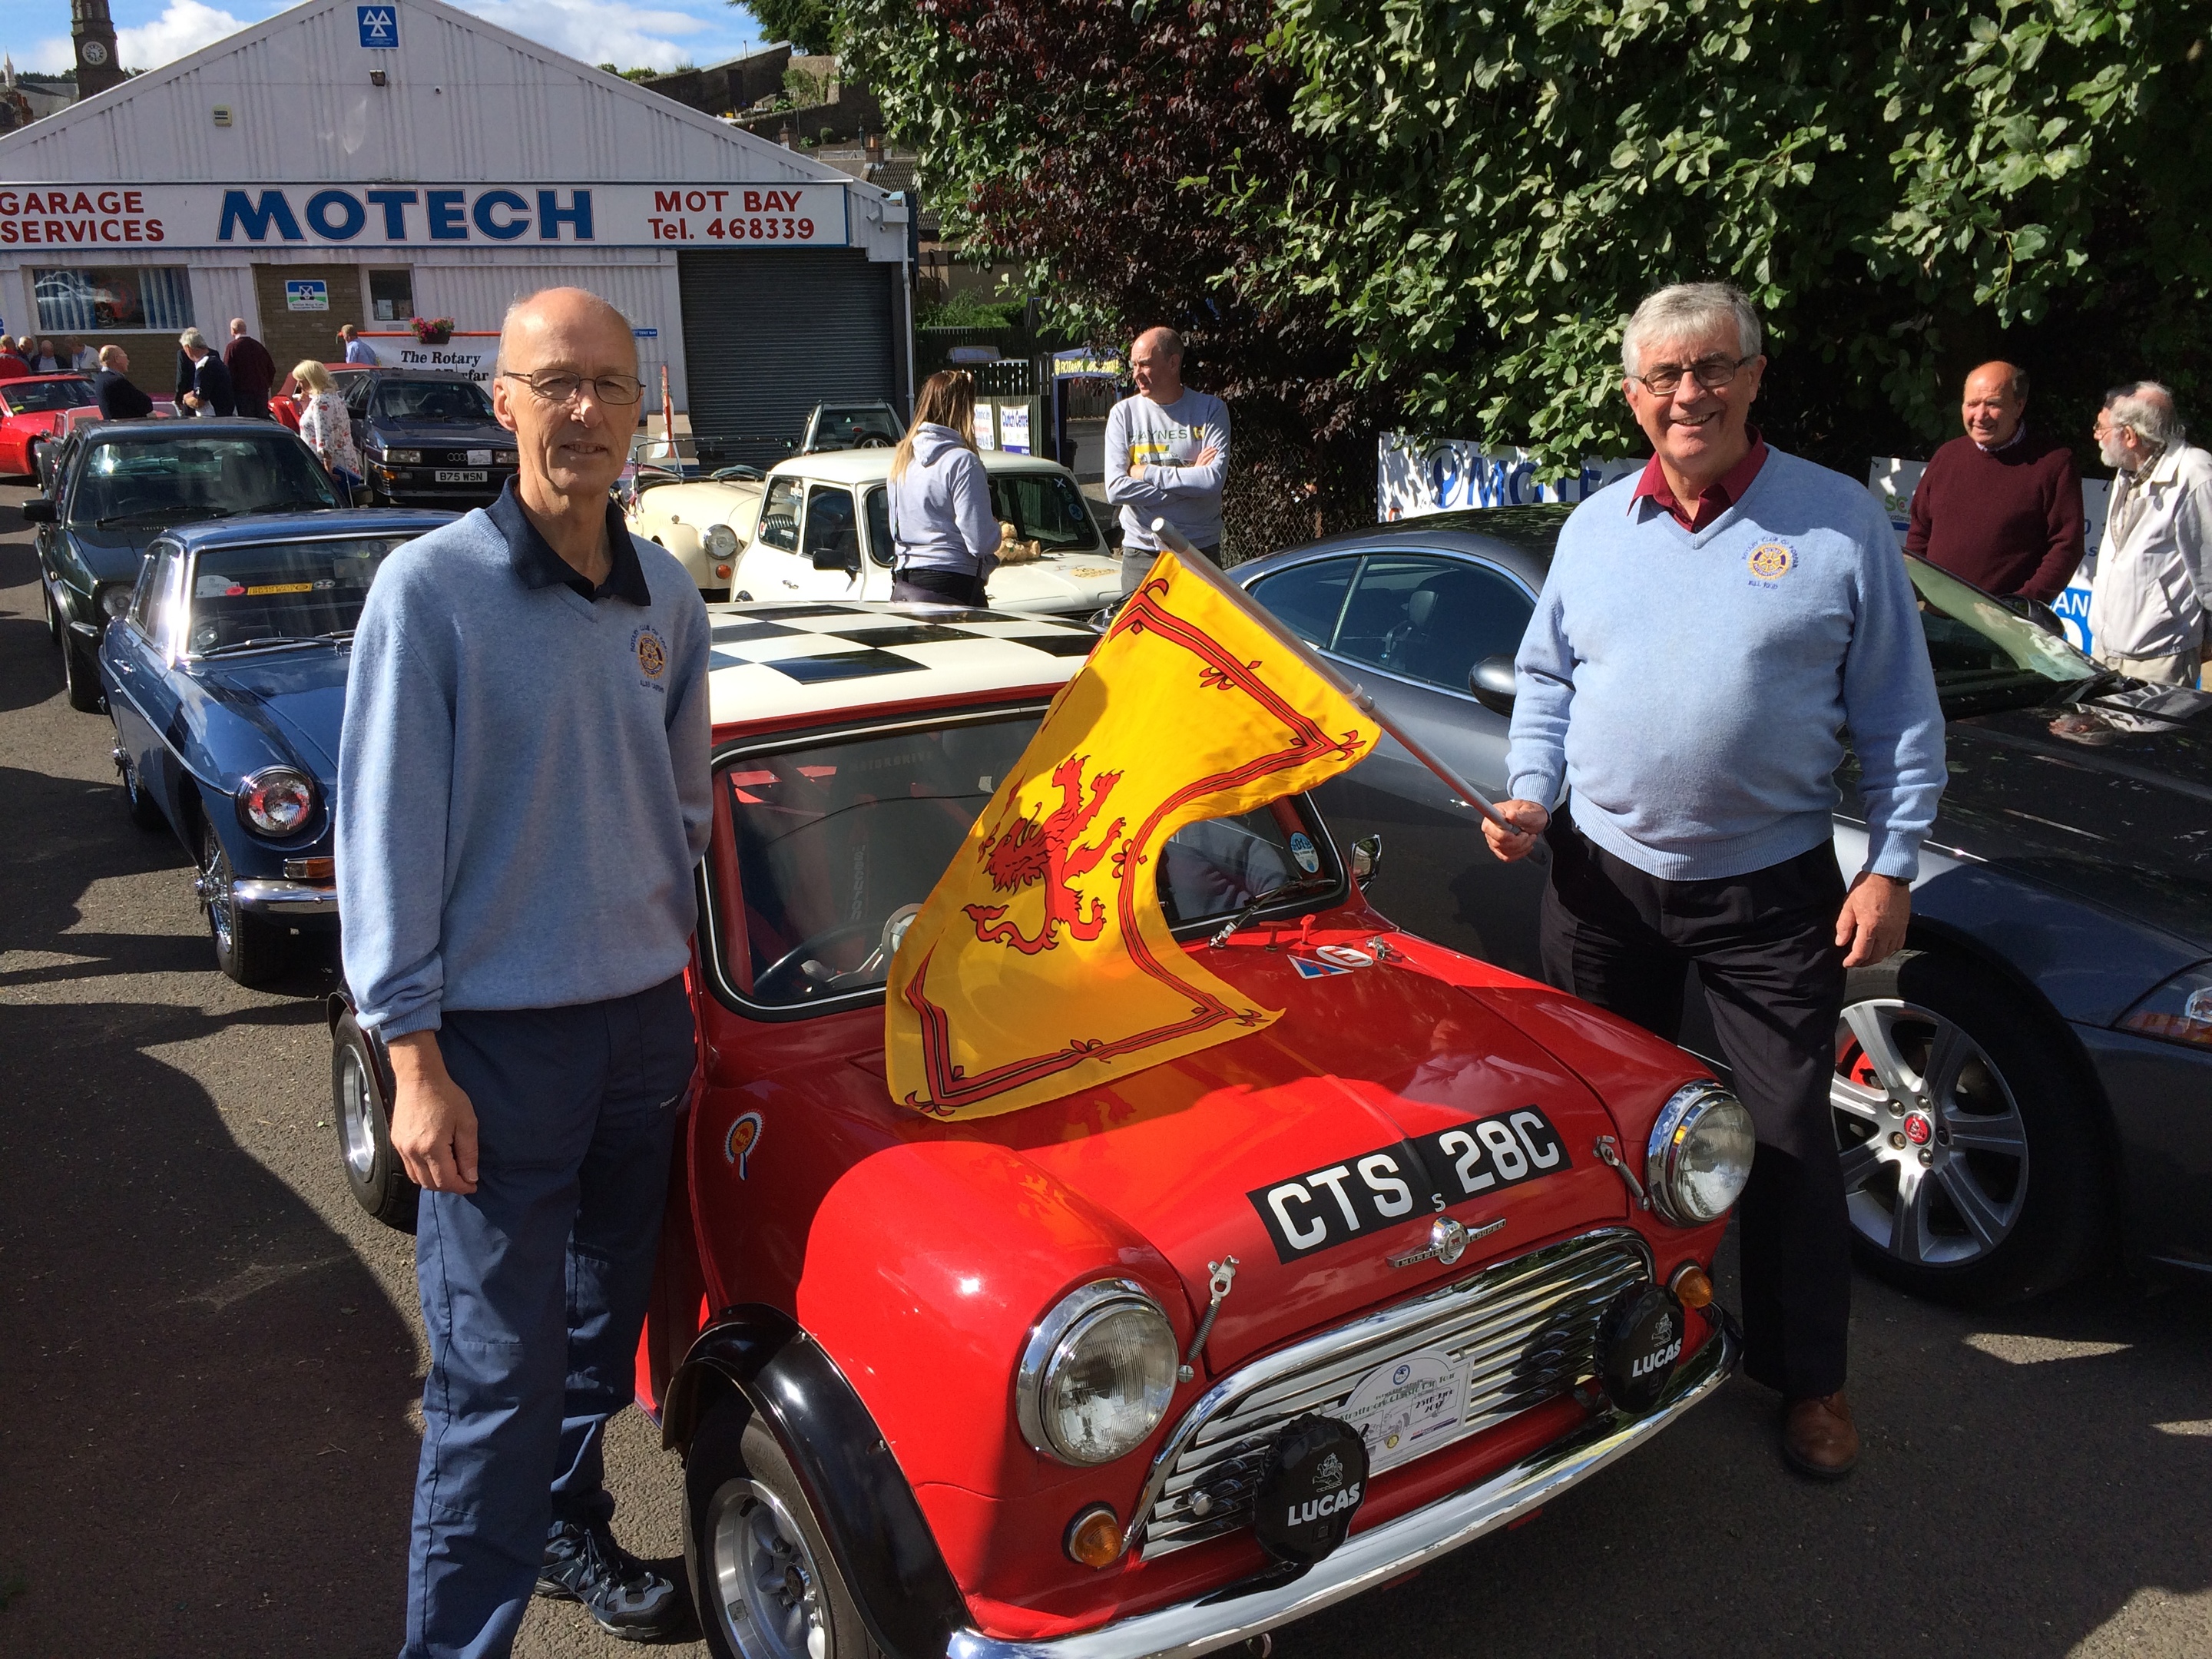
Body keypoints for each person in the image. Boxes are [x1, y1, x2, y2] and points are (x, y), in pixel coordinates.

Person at [1483, 281, 1946, 1482]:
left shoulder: (1838, 523)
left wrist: (1890, 866)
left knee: (1787, 1141)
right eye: (1663, 376)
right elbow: (1545, 682)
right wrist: (1531, 788)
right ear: (1634, 397)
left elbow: (1900, 716)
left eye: (1712, 368)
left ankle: (1811, 1383)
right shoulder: (1592, 529)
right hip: (1599, 878)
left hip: (1766, 890)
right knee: (1599, 1137)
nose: (1689, 393)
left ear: (1753, 376)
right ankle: (1608, 1351)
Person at [338, 286, 707, 1657]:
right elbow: (382, 840)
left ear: (639, 410)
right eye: (554, 383)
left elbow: (685, 813)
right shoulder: (430, 593)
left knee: (597, 1340)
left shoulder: (666, 592)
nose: (585, 412)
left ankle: (565, 1530)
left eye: (609, 386)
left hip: (636, 1039)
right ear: (502, 402)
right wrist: (412, 1060)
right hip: (493, 1055)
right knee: (493, 1383)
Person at [1904, 361, 2083, 601]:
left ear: (2019, 406)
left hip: (2003, 627)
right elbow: (1919, 531)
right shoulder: (1947, 456)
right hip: (1934, 614)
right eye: (1972, 404)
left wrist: (2022, 605)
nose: (1980, 415)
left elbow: (2066, 546)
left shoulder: (2053, 463)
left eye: (1993, 404)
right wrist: (1918, 590)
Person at [2087, 381, 2212, 687]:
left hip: (2160, 659)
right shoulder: (2128, 470)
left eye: (2101, 428)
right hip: (2104, 652)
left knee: (2150, 736)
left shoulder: (2196, 473)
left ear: (2129, 436)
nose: (2096, 436)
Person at [1104, 326, 1229, 588]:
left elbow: (1212, 482)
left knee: (1199, 631)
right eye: (1134, 365)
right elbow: (1116, 490)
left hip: (1199, 553)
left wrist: (1146, 473)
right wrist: (1190, 480)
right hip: (1141, 555)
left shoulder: (1210, 410)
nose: (1137, 374)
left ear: (1173, 363)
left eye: (1145, 365)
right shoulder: (1123, 414)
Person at [886, 369, 1000, 605]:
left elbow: (895, 528)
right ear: (964, 410)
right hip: (954, 583)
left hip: (907, 581)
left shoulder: (903, 459)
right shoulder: (963, 462)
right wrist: (997, 530)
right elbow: (980, 543)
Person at [292, 359, 363, 498]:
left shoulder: (321, 402)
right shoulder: (333, 397)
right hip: (345, 463)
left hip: (332, 468)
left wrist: (326, 470)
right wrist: (305, 403)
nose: (299, 385)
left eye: (300, 381)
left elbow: (325, 437)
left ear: (310, 380)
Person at [224, 318, 277, 419]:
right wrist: (266, 385)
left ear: (233, 330)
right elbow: (271, 368)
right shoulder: (258, 346)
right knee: (263, 421)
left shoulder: (232, 347)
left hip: (242, 395)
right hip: (261, 393)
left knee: (248, 422)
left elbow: (228, 372)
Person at [177, 328, 235, 416]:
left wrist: (186, 399)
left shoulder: (203, 366)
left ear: (188, 348)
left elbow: (199, 402)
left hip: (212, 419)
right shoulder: (216, 362)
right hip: (225, 415)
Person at [93, 345, 154, 419]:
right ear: (117, 359)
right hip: (127, 427)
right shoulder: (116, 382)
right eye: (125, 356)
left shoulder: (101, 379)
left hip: (113, 427)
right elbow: (146, 405)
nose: (128, 361)